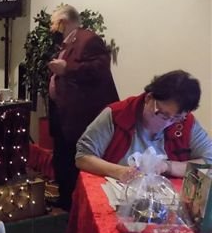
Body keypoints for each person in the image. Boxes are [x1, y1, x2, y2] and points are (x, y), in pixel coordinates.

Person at [76, 70, 212, 180]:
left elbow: (209, 162)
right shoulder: (117, 114)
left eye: (176, 118)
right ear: (148, 98)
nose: (166, 123)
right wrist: (119, 171)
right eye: (162, 114)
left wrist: (168, 166)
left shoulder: (187, 123)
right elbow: (83, 157)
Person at [47, 4, 119, 210]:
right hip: (64, 113)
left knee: (74, 158)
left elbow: (100, 69)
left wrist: (67, 68)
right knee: (62, 157)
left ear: (64, 22)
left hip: (81, 116)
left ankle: (76, 204)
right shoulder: (66, 43)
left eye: (54, 23)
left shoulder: (88, 40)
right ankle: (65, 198)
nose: (52, 28)